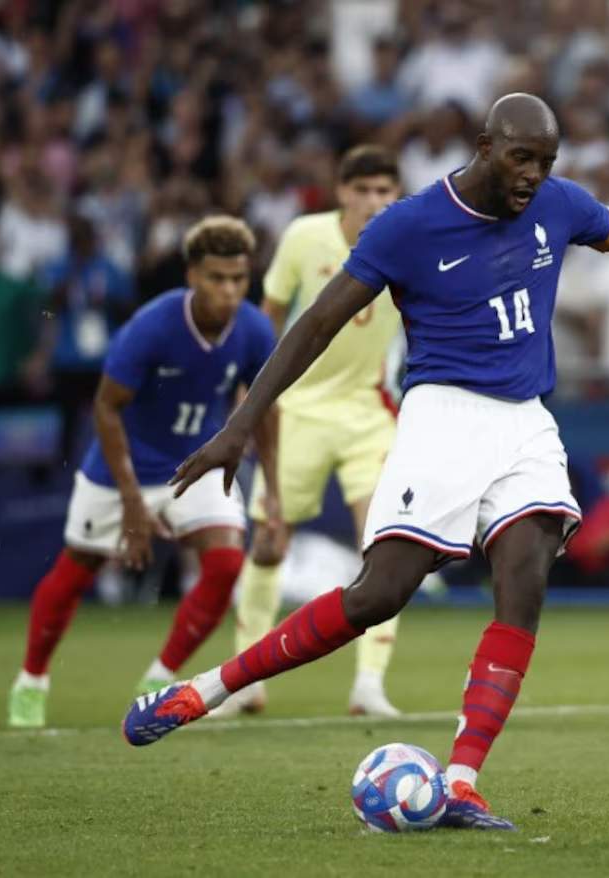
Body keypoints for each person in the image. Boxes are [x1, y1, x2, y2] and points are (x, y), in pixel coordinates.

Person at [123, 94, 609, 830]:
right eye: (520, 158)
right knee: (377, 597)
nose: (533, 176)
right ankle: (205, 691)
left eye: (546, 162)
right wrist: (240, 426)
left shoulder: (560, 206)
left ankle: (463, 781)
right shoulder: (410, 225)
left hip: (527, 421)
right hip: (441, 417)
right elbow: (315, 323)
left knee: (527, 570)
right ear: (484, 145)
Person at [6, 216, 280, 729]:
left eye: (238, 279)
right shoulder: (151, 326)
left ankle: (159, 677)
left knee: (224, 565)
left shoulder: (254, 329)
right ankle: (31, 681)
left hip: (194, 467)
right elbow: (106, 409)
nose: (229, 290)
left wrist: (275, 498)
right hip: (121, 469)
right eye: (217, 278)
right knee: (75, 571)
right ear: (192, 275)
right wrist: (132, 503)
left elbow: (265, 408)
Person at [215, 145, 406, 720]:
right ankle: (245, 680)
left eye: (384, 191)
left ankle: (368, 685)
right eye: (364, 190)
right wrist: (246, 404)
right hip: (296, 409)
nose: (374, 202)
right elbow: (264, 320)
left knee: (386, 546)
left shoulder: (409, 239)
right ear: (343, 192)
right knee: (271, 543)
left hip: (368, 412)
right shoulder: (304, 237)